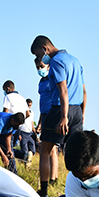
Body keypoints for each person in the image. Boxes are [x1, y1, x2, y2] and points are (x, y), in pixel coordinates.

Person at [30, 35, 87, 197]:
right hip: (77, 110)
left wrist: (63, 117)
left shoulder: (56, 61)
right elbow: (84, 91)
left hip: (60, 110)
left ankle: (44, 191)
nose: (39, 59)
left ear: (44, 49)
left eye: (37, 55)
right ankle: (80, 191)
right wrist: (82, 114)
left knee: (45, 150)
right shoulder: (75, 60)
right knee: (75, 151)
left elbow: (63, 90)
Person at [35, 57, 59, 187]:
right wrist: (39, 123)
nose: (40, 69)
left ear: (48, 66)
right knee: (46, 149)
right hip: (44, 115)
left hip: (53, 113)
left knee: (52, 149)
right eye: (38, 67)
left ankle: (53, 179)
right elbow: (41, 103)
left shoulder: (53, 79)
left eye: (41, 66)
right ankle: (48, 178)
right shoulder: (41, 82)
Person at [19, 99, 36, 166]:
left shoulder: (32, 112)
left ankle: (28, 160)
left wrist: (33, 128)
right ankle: (24, 163)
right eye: (28, 105)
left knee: (32, 147)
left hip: (29, 132)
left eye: (30, 105)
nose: (29, 107)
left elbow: (31, 122)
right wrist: (19, 134)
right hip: (23, 131)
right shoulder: (22, 112)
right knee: (24, 150)